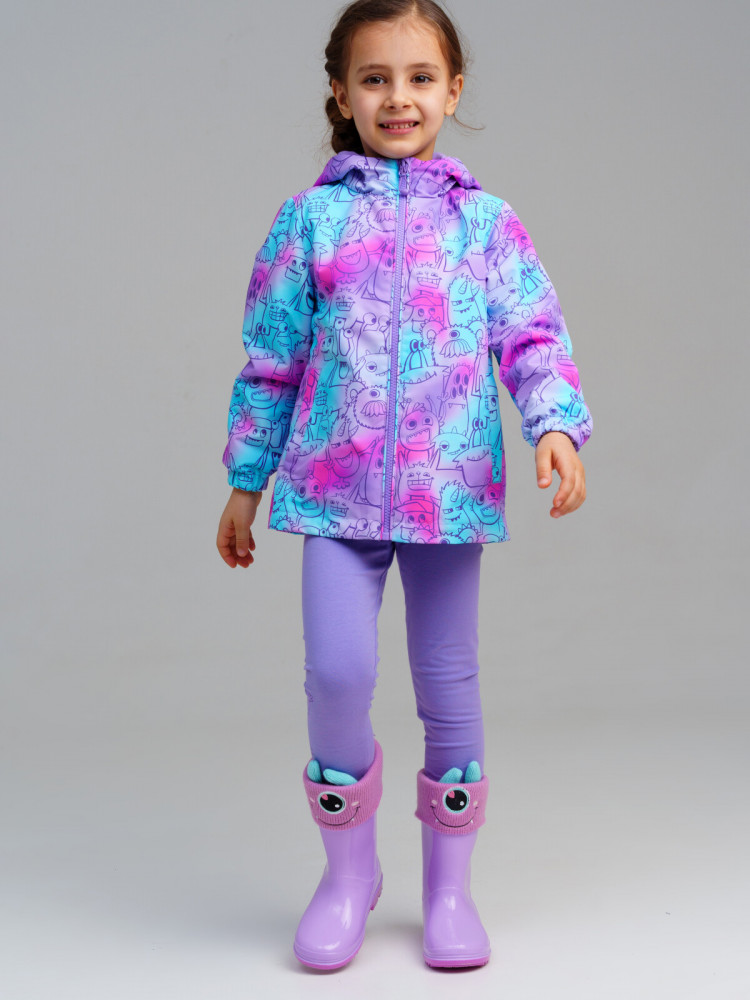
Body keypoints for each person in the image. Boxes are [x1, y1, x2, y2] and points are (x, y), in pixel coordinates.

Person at [217, 0, 592, 972]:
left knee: (448, 682)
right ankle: (348, 876)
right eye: (374, 78)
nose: (398, 97)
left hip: (448, 494)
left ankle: (449, 891)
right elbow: (271, 359)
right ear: (340, 93)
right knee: (338, 675)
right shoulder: (309, 221)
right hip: (331, 495)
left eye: (420, 78)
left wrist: (554, 424)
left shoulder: (485, 223)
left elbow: (532, 333)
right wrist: (247, 481)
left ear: (453, 90)